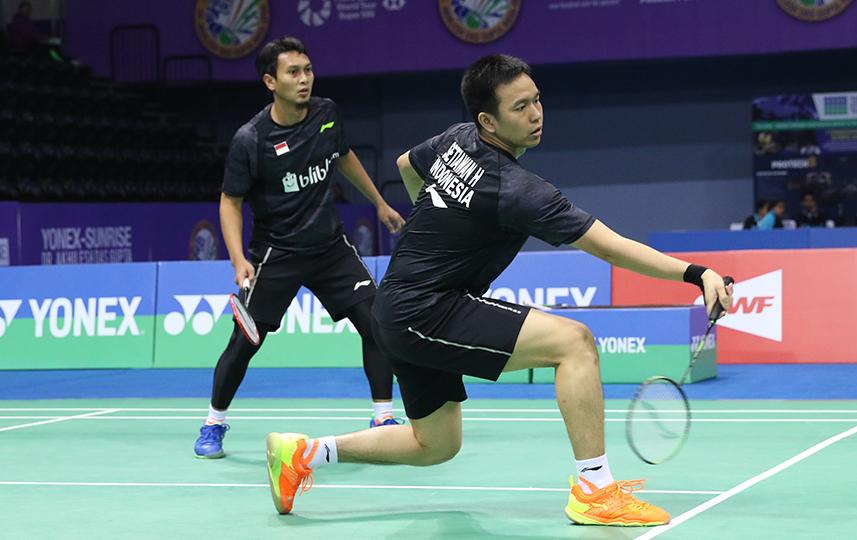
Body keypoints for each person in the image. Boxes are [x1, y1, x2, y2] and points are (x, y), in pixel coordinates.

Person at [263, 54, 732, 527]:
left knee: (436, 445)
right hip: (426, 309)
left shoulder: (456, 139)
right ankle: (595, 489)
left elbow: (408, 164)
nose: (535, 114)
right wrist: (696, 274)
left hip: (399, 306)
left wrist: (433, 220)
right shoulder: (518, 189)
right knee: (576, 344)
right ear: (488, 119)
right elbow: (608, 247)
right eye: (520, 107)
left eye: (537, 101)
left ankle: (302, 454)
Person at [193, 37, 407, 459]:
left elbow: (343, 155)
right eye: (294, 72)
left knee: (377, 320)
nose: (304, 78)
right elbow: (230, 201)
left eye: (308, 69)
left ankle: (383, 416)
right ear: (270, 81)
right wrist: (238, 259)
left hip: (330, 246)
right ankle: (213, 422)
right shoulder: (250, 139)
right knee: (246, 340)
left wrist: (378, 202)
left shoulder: (326, 113)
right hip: (277, 253)